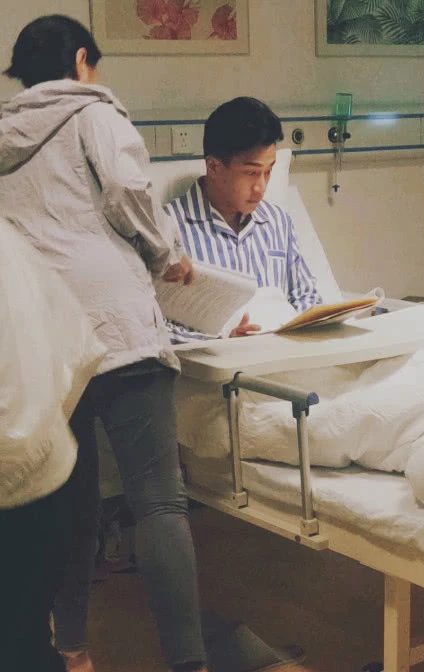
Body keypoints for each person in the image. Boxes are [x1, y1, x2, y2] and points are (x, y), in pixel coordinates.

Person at [0, 15, 207, 672]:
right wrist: (167, 254)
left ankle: (71, 651)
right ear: (82, 61)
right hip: (117, 332)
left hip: (46, 338)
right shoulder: (95, 112)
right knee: (159, 500)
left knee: (70, 504)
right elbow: (125, 189)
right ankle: (189, 664)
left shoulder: (3, 136)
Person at [0, 216, 105, 672]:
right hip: (45, 470)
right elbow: (79, 350)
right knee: (24, 640)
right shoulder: (10, 243)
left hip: (32, 476)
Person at [164, 97, 321, 339]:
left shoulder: (277, 222)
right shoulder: (168, 227)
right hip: (214, 359)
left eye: (268, 172)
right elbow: (156, 324)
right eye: (251, 173)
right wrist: (223, 341)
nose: (261, 187)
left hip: (284, 351)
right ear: (214, 167)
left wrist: (299, 325)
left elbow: (307, 295)